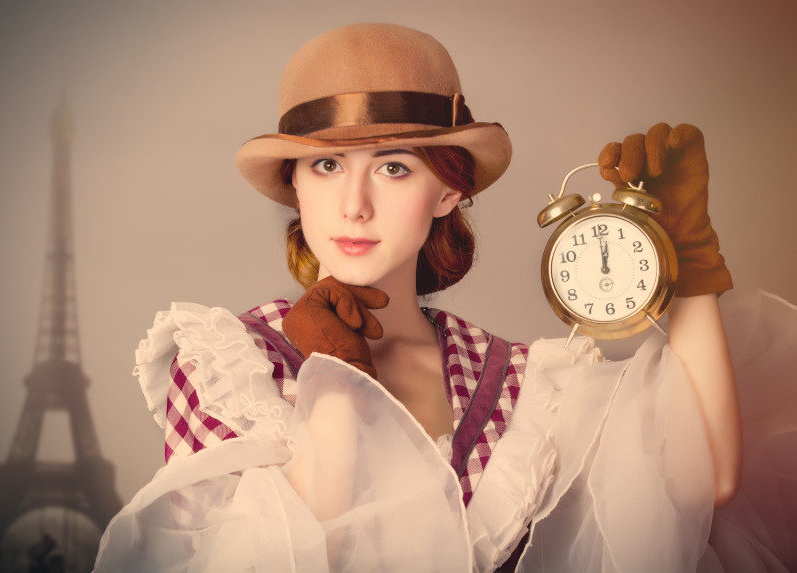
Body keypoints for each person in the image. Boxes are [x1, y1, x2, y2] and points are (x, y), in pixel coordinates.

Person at [94, 23, 796, 572]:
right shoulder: (229, 365)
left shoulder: (516, 376)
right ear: (295, 185)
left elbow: (703, 477)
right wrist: (337, 385)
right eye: (327, 165)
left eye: (394, 167)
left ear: (451, 189)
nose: (354, 205)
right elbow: (287, 554)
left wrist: (688, 255)